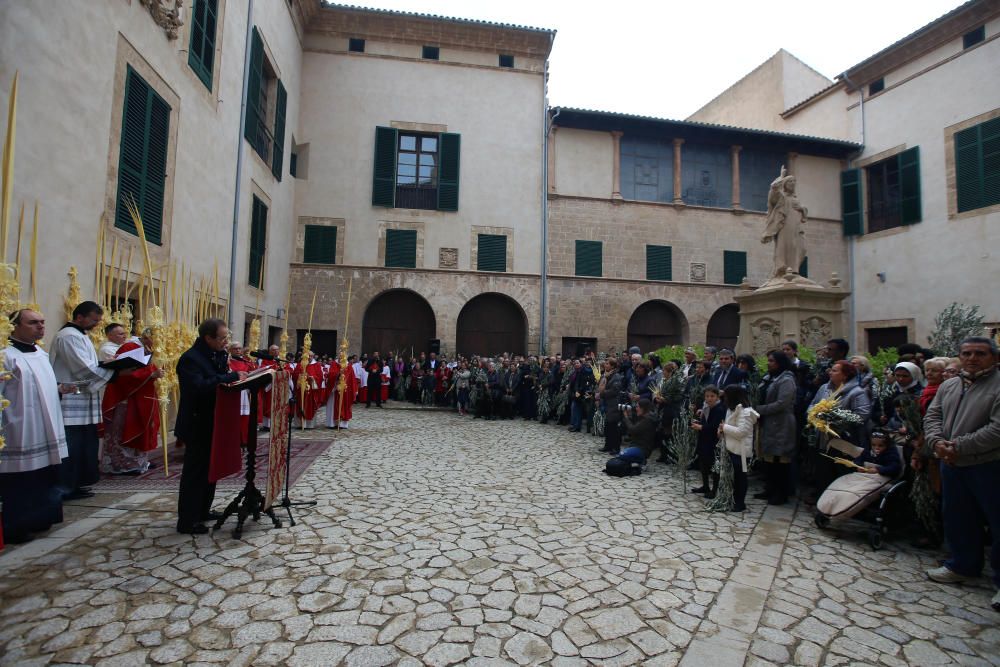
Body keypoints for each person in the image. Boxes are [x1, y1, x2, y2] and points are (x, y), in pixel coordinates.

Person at [924, 337, 1000, 612]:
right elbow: (933, 416)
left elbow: (997, 429)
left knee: (996, 520)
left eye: (980, 353)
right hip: (951, 462)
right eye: (966, 353)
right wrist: (936, 442)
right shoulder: (950, 385)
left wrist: (958, 446)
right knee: (957, 516)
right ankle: (963, 565)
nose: (972, 358)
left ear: (994, 358)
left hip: (987, 463)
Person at [0, 309, 72, 543]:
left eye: (42, 322)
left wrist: (59, 389)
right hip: (20, 428)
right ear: (15, 326)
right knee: (22, 480)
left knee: (46, 475)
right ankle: (18, 526)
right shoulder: (6, 355)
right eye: (33, 323)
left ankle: (43, 518)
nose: (41, 327)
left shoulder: (39, 352)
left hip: (46, 425)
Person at [175, 318, 245, 534]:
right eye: (222, 338)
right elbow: (199, 386)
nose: (226, 342)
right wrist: (230, 376)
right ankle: (187, 520)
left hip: (214, 420)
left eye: (227, 337)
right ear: (208, 338)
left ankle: (203, 511)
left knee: (210, 469)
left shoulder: (217, 355)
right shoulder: (191, 359)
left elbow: (217, 376)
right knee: (195, 473)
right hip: (197, 422)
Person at [49, 301, 115, 500]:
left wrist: (106, 366)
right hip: (70, 401)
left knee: (83, 446)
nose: (96, 324)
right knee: (72, 445)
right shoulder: (68, 336)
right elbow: (83, 369)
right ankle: (66, 487)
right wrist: (115, 372)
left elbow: (91, 365)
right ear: (79, 317)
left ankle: (76, 483)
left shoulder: (79, 335)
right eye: (94, 320)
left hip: (83, 399)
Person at [100, 329, 163, 475]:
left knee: (140, 427)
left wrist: (155, 373)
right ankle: (120, 464)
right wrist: (151, 374)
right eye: (157, 338)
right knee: (123, 430)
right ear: (148, 337)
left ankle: (138, 462)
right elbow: (122, 374)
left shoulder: (147, 349)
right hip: (125, 398)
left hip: (140, 396)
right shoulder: (129, 347)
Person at [754, 350, 798, 505]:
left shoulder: (786, 379)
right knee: (769, 459)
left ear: (780, 363)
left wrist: (759, 409)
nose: (768, 363)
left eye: (772, 361)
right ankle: (770, 489)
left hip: (782, 424)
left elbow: (782, 403)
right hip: (769, 422)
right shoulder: (769, 378)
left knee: (780, 460)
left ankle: (781, 493)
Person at [720, 385, 759, 512]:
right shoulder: (732, 409)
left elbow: (742, 431)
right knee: (734, 476)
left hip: (741, 451)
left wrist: (724, 428)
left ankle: (740, 502)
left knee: (740, 477)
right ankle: (733, 499)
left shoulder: (746, 412)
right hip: (731, 448)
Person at [691, 385, 725, 499]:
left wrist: (701, 427)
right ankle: (705, 486)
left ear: (717, 397)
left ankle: (714, 489)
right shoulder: (706, 407)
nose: (709, 398)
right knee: (703, 464)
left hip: (713, 442)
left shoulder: (719, 409)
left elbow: (715, 426)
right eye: (707, 396)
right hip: (704, 440)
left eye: (712, 396)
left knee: (714, 466)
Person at [600, 359, 624, 453]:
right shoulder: (606, 375)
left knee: (614, 427)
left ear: (612, 366)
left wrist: (603, 393)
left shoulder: (617, 377)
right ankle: (608, 445)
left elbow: (614, 391)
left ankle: (615, 447)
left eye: (607, 364)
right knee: (608, 426)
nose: (605, 365)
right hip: (607, 404)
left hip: (614, 404)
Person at [258, 344, 282, 432]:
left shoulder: (281, 360)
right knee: (268, 405)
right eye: (273, 350)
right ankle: (267, 425)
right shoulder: (265, 360)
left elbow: (288, 369)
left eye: (277, 350)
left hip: (279, 386)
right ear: (269, 351)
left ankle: (277, 423)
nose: (275, 352)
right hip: (269, 386)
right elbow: (262, 370)